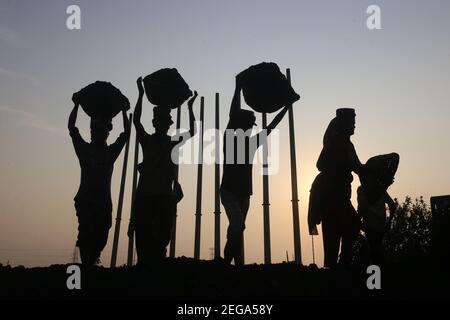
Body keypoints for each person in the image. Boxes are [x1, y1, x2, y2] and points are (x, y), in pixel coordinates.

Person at [220, 73, 290, 266]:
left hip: (244, 193)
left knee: (238, 229)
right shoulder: (230, 139)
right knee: (238, 225)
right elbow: (233, 113)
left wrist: (287, 106)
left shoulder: (251, 144)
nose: (251, 128)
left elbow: (271, 127)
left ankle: (236, 265)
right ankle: (226, 263)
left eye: (252, 125)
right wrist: (237, 89)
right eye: (249, 124)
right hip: (229, 191)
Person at [131, 76, 197, 266]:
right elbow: (136, 121)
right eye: (158, 121)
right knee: (143, 243)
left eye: (164, 122)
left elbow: (192, 130)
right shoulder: (148, 140)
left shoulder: (171, 144)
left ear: (167, 125)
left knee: (160, 243)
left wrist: (190, 107)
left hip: (162, 197)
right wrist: (140, 95)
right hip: (145, 197)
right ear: (155, 123)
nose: (161, 124)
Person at [68, 97, 130, 266]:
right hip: (86, 200)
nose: (97, 134)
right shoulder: (85, 150)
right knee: (86, 232)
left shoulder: (110, 153)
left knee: (102, 234)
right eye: (95, 131)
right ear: (92, 132)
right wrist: (77, 105)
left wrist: (124, 113)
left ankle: (93, 258)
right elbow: (72, 129)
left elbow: (126, 135)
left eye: (101, 131)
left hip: (103, 203)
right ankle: (87, 262)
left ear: (106, 133)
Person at [308, 108, 363, 268]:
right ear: (343, 123)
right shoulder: (334, 142)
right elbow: (320, 164)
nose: (354, 126)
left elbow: (358, 167)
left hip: (342, 197)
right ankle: (335, 270)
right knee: (333, 240)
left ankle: (342, 262)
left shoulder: (349, 145)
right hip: (331, 198)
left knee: (352, 227)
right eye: (352, 123)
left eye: (354, 122)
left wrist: (374, 169)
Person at [357, 153, 399, 266]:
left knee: (373, 253)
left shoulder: (362, 190)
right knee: (377, 251)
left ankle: (376, 279)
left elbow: (362, 208)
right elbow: (392, 206)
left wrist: (358, 223)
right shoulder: (380, 190)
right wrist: (389, 222)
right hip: (380, 226)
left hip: (370, 226)